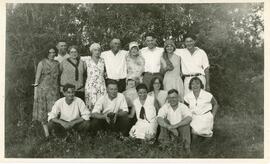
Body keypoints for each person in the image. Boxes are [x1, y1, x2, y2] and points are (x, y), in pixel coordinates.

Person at [32, 46, 60, 137]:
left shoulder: (57, 63)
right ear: (47, 53)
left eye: (53, 52)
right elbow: (37, 79)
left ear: (56, 53)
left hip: (54, 91)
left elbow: (59, 78)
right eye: (50, 52)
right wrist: (35, 93)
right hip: (43, 90)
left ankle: (54, 132)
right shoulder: (42, 63)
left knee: (53, 111)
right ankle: (47, 134)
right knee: (43, 112)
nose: (52, 54)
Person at [157, 89, 192, 154]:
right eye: (169, 98)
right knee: (164, 121)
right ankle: (165, 145)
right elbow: (159, 118)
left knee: (186, 123)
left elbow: (189, 118)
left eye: (174, 97)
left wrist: (175, 126)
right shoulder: (166, 106)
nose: (171, 100)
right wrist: (169, 127)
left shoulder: (183, 106)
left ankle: (186, 147)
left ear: (178, 97)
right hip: (169, 130)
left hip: (180, 131)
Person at [82, 43, 106, 110]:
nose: (97, 52)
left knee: (101, 104)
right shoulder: (86, 60)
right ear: (91, 51)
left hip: (101, 85)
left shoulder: (103, 60)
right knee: (91, 104)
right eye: (95, 50)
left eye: (99, 50)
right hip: (90, 86)